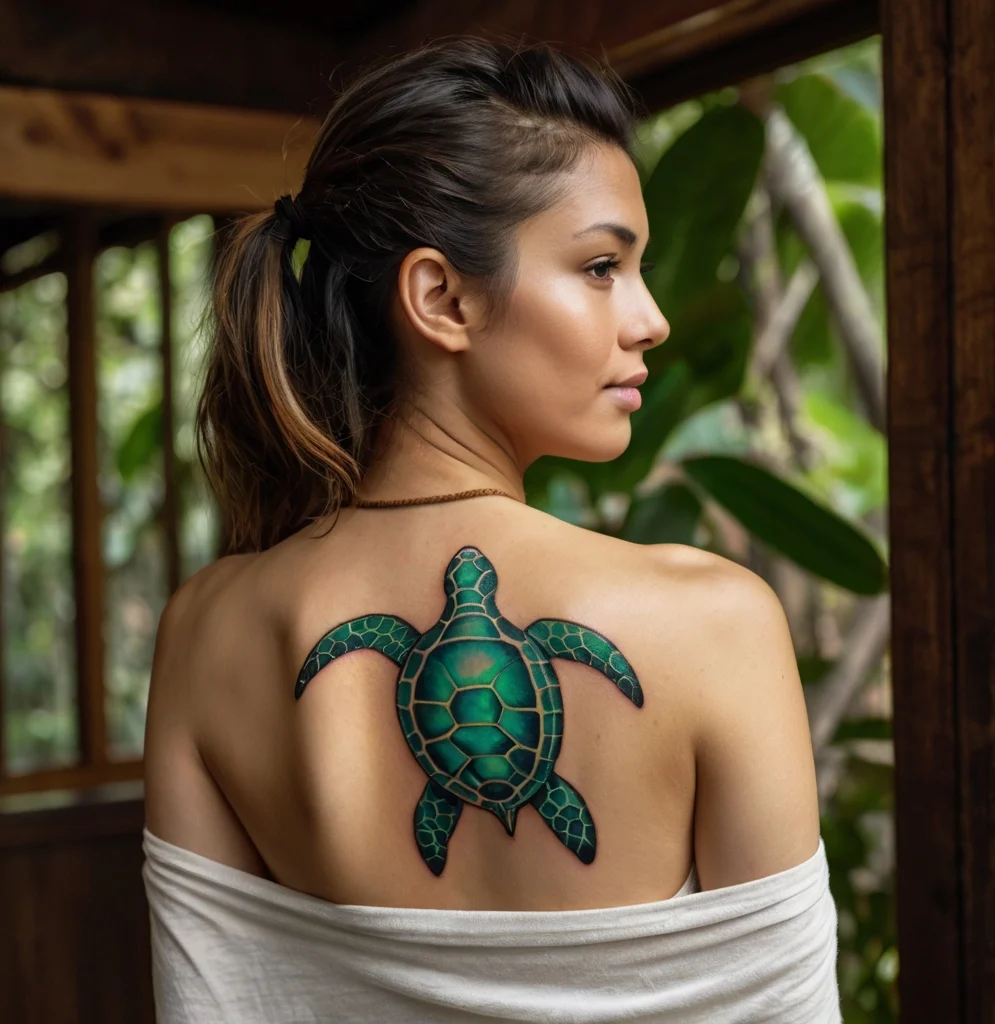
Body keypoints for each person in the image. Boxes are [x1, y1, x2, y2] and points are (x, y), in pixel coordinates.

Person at [141, 36, 840, 1023]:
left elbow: (211, 1005)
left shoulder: (206, 632)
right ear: (443, 297)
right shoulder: (712, 624)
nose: (651, 320)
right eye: (601, 266)